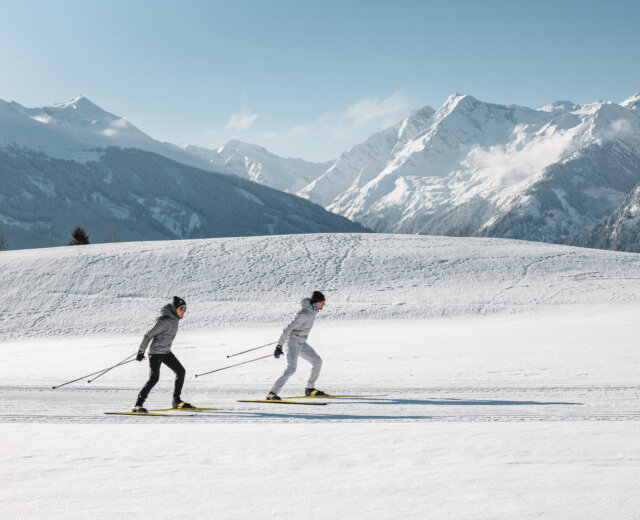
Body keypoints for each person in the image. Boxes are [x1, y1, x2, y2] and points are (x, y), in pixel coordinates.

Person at [132, 296, 194, 412]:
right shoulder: (164, 321)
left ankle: (176, 401)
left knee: (181, 372)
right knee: (154, 378)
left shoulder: (174, 319)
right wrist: (141, 351)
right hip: (155, 353)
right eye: (182, 308)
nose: (184, 311)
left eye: (185, 309)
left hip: (166, 352)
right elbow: (148, 335)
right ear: (175, 308)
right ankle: (137, 405)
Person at [267, 291, 327, 400]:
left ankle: (310, 389)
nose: (323, 305)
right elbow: (288, 328)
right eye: (322, 302)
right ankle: (272, 393)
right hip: (292, 343)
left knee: (317, 361)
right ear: (316, 302)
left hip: (301, 343)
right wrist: (279, 346)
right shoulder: (304, 313)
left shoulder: (312, 312)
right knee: (291, 369)